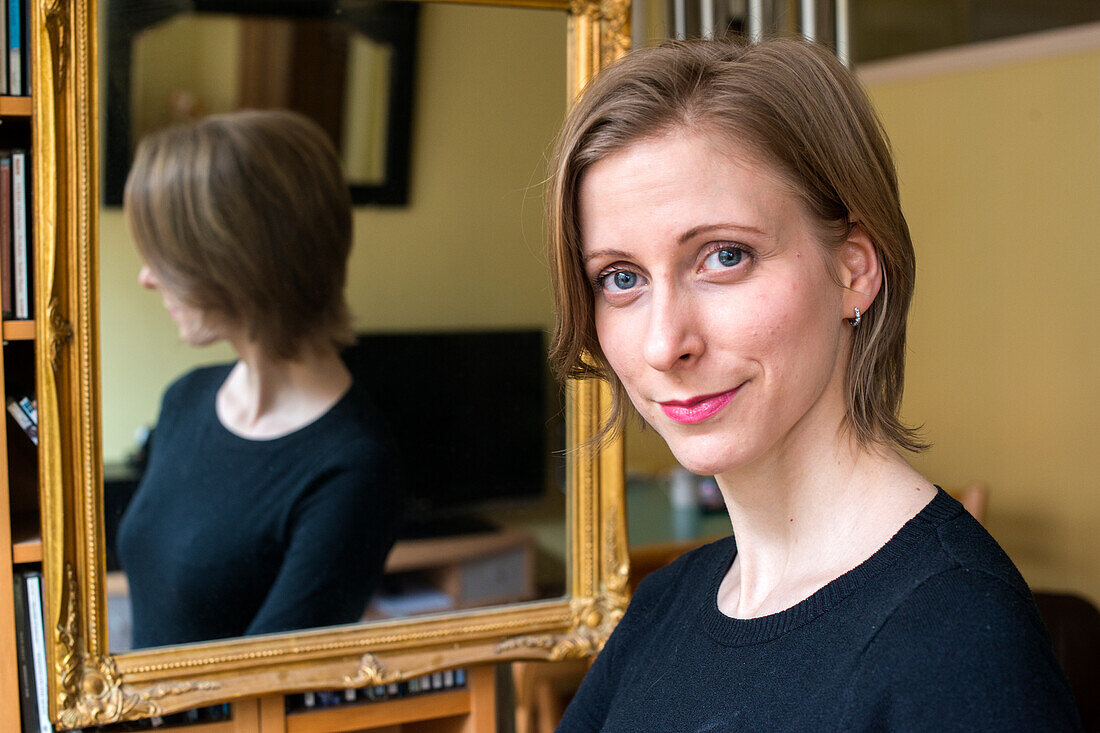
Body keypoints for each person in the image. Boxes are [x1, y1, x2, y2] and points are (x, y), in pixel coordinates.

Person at [548, 38, 1081, 730]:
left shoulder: (954, 643)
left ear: (854, 270)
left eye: (724, 256)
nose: (663, 342)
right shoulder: (666, 605)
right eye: (621, 277)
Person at [117, 110, 397, 649]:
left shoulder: (353, 471)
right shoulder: (184, 399)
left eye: (166, 257)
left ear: (233, 261)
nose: (147, 277)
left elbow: (267, 696)